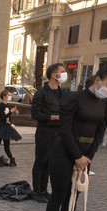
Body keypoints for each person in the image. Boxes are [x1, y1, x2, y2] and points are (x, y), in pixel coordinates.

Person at [44, 57, 107, 211]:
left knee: (74, 195)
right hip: (63, 151)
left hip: (84, 157)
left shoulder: (106, 104)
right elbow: (65, 129)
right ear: (97, 80)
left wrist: (87, 158)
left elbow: (100, 132)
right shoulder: (74, 98)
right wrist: (77, 155)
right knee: (59, 194)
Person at [31, 63, 66, 202]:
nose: (64, 74)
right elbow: (35, 114)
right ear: (53, 74)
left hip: (58, 132)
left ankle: (44, 189)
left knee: (51, 162)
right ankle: (36, 191)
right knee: (41, 161)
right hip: (45, 131)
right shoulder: (41, 93)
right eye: (62, 71)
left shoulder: (62, 93)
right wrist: (53, 117)